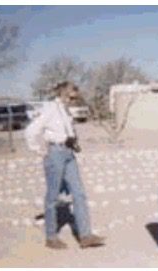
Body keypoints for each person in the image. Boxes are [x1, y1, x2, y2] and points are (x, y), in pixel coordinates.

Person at [25, 81, 105, 249]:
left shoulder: (65, 109)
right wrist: (39, 150)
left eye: (74, 97)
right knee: (53, 197)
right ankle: (51, 237)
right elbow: (31, 131)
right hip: (55, 153)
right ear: (62, 93)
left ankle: (85, 235)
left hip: (69, 153)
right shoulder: (50, 108)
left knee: (79, 193)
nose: (73, 100)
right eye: (71, 96)